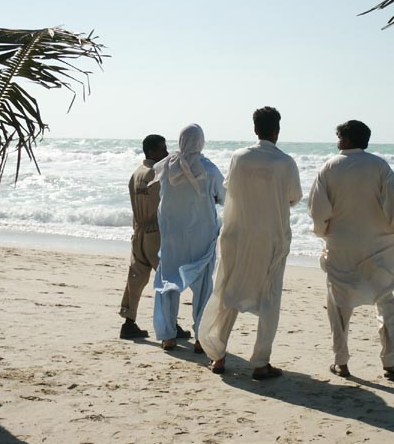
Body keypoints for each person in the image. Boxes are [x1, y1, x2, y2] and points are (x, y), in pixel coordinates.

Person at [199, 106, 302, 380]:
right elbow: (294, 197)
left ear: (255, 129)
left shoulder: (238, 157)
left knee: (228, 291)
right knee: (269, 296)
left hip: (237, 235)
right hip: (270, 237)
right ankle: (260, 362)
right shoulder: (285, 162)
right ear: (277, 131)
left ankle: (218, 356)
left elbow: (230, 189)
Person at [308, 120, 394, 380]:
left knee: (339, 305)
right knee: (385, 300)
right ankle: (390, 363)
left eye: (340, 138)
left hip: (341, 245)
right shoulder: (379, 165)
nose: (338, 142)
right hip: (377, 246)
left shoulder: (329, 167)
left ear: (347, 141)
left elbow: (318, 210)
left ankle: (340, 362)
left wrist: (323, 232)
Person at [153, 123, 225, 352]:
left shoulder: (165, 166)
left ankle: (168, 336)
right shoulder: (209, 169)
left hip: (172, 236)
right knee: (203, 288)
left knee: (169, 283)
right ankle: (200, 338)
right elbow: (223, 197)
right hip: (201, 238)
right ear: (200, 141)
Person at [119, 135, 192, 340]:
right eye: (163, 149)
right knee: (169, 281)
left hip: (139, 232)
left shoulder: (137, 173)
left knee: (135, 278)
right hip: (156, 233)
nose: (167, 153)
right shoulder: (158, 174)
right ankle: (171, 325)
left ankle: (129, 322)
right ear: (152, 152)